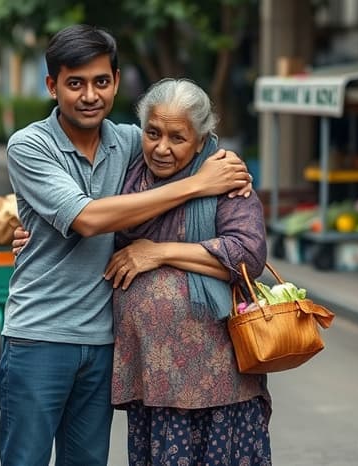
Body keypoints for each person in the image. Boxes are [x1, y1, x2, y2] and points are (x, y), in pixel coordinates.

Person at [1, 24, 252, 466]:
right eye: (74, 83)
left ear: (116, 82)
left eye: (101, 81)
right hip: (40, 336)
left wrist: (226, 165)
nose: (89, 95)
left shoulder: (131, 142)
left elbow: (187, 142)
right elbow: (88, 219)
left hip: (103, 342)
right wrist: (197, 185)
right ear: (51, 86)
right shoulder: (30, 145)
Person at [103, 78, 271, 465]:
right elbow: (87, 219)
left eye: (177, 138)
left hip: (219, 379)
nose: (161, 148)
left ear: (200, 138)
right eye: (153, 133)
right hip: (153, 377)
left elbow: (248, 256)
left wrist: (159, 253)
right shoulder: (127, 175)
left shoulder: (225, 179)